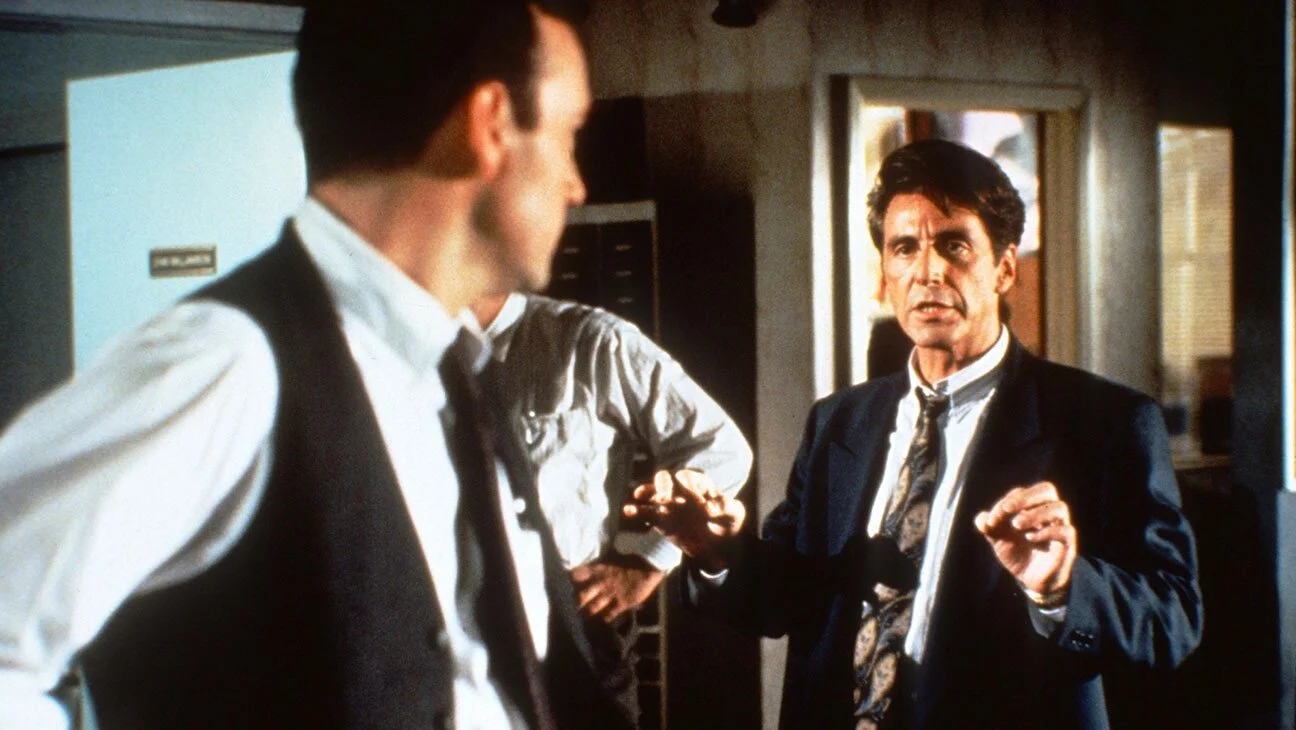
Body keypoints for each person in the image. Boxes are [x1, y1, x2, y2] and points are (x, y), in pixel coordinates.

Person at [0, 1, 633, 729]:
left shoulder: (457, 371)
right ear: (488, 124)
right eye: (568, 133)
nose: (577, 184)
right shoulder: (229, 363)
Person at [627, 138, 1204, 729]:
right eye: (904, 248)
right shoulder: (839, 422)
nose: (927, 272)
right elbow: (785, 598)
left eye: (954, 245)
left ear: (1005, 268)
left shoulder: (1104, 423)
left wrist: (1060, 588)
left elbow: (1174, 620)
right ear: (885, 274)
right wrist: (714, 550)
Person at [471, 291, 754, 719]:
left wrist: (647, 563)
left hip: (569, 625)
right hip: (459, 622)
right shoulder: (416, 350)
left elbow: (721, 449)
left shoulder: (589, 339)